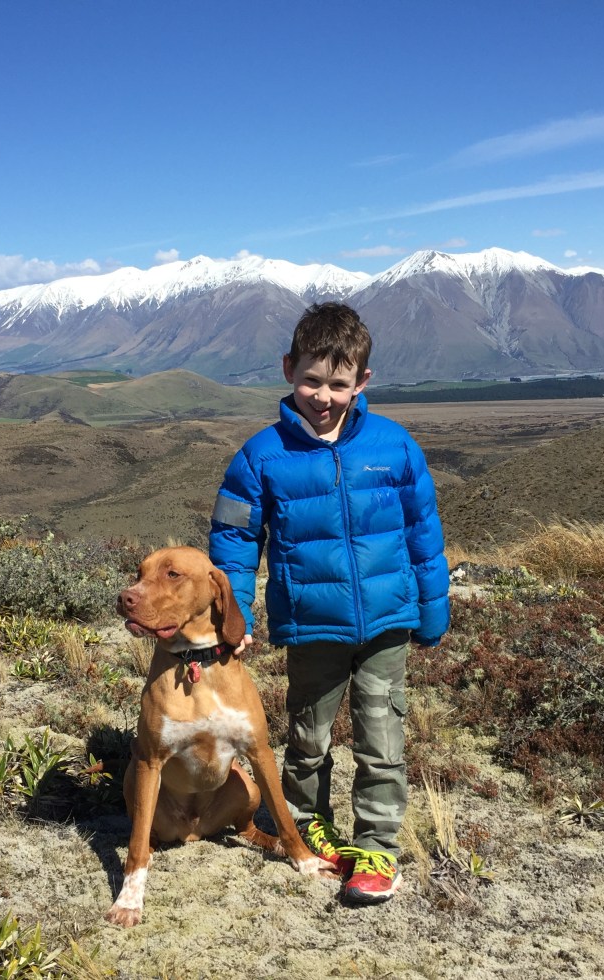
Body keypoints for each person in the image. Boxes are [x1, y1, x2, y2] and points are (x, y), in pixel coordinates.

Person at [209, 301, 450, 904]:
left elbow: (423, 533)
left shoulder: (395, 446)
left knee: (382, 741)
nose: (323, 396)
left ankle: (377, 847)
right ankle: (304, 824)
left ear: (361, 381)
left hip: (387, 623)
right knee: (308, 737)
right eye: (311, 380)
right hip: (312, 624)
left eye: (338, 384)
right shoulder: (260, 456)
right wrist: (233, 615)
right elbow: (235, 541)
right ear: (288, 369)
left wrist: (432, 607)